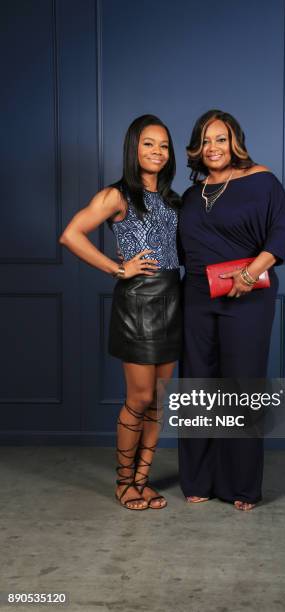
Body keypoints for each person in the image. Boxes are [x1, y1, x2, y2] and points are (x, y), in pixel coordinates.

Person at [60, 115, 181, 510]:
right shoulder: (117, 195)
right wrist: (118, 268)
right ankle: (123, 483)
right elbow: (71, 234)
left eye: (164, 145)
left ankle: (142, 481)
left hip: (172, 298)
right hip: (139, 302)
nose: (157, 152)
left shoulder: (171, 197)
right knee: (140, 396)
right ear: (134, 148)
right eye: (149, 144)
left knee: (159, 399)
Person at [178, 109, 285, 511]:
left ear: (236, 143)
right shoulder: (193, 194)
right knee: (198, 386)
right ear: (197, 147)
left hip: (247, 295)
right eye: (206, 140)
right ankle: (198, 479)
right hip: (195, 296)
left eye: (221, 139)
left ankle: (241, 486)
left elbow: (284, 231)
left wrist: (249, 274)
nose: (213, 148)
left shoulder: (262, 180)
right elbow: (178, 248)